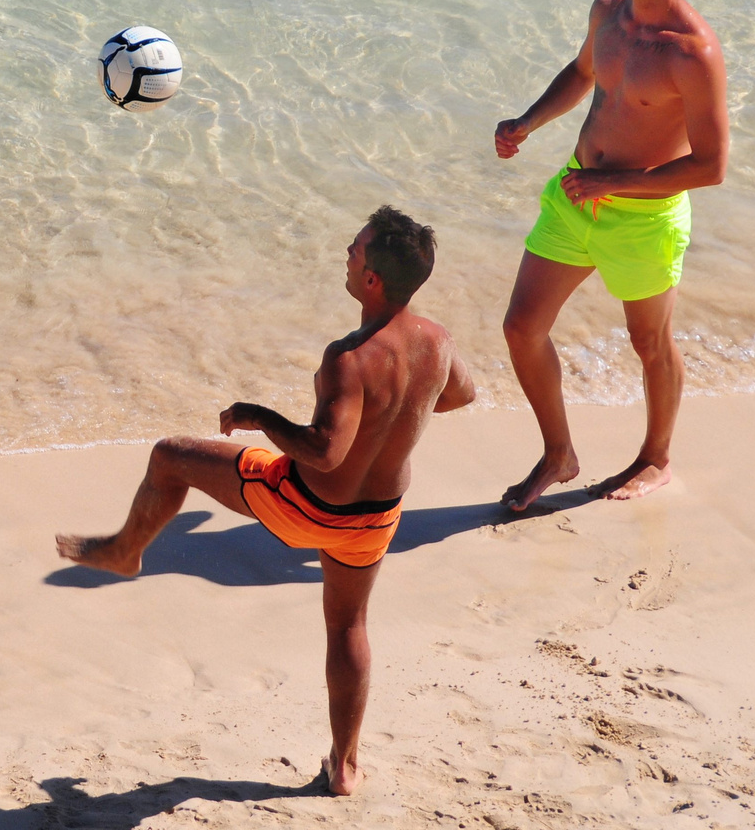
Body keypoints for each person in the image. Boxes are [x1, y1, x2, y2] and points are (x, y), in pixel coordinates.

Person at [56, 207, 476, 796]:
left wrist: (261, 417)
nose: (347, 255)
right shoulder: (438, 342)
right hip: (374, 521)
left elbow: (325, 453)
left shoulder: (348, 358)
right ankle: (346, 766)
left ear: (373, 279)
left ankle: (127, 551)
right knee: (349, 625)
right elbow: (462, 394)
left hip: (302, 505)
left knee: (171, 456)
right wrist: (395, 421)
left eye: (355, 251)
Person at [494, 0, 728, 512]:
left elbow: (711, 166)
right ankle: (558, 453)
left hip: (644, 216)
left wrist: (617, 184)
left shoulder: (692, 53)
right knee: (522, 327)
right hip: (575, 195)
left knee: (650, 342)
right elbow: (581, 75)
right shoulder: (607, 12)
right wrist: (527, 122)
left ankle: (657, 458)